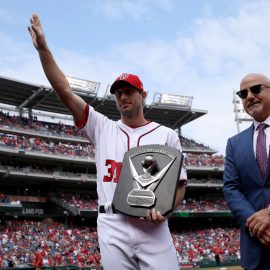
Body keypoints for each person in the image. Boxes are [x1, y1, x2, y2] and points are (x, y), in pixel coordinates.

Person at [28, 14, 187, 270]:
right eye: (118, 93)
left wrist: (166, 210)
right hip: (112, 224)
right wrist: (44, 50)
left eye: (128, 92)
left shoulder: (167, 134)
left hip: (152, 227)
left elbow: (178, 186)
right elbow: (65, 92)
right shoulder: (102, 127)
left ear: (143, 95)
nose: (122, 97)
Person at [223, 73, 270, 270]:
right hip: (254, 247)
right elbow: (231, 188)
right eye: (243, 93)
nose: (249, 96)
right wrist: (256, 224)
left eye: (256, 89)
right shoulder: (234, 143)